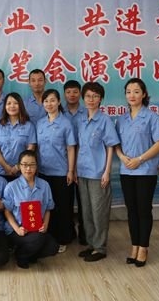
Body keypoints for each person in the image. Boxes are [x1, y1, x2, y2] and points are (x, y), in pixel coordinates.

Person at [115, 78, 159, 267]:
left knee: (143, 210)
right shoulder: (121, 119)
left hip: (145, 171)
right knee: (131, 210)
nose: (132, 95)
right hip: (126, 170)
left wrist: (140, 159)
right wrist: (122, 157)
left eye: (136, 91)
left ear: (144, 94)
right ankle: (134, 245)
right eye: (128, 91)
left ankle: (143, 247)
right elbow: (116, 144)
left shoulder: (151, 117)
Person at [75, 82, 120, 262]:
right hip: (82, 172)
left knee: (98, 211)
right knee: (86, 212)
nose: (91, 99)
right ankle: (91, 244)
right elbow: (78, 146)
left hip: (98, 173)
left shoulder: (104, 120)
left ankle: (100, 247)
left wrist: (107, 171)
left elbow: (110, 147)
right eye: (88, 96)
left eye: (95, 96)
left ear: (101, 99)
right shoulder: (81, 120)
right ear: (83, 98)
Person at [36, 88, 77, 253]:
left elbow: (71, 148)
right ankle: (50, 237)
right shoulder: (40, 123)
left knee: (63, 207)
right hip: (43, 172)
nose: (49, 104)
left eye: (52, 100)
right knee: (48, 207)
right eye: (46, 101)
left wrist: (71, 171)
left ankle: (64, 238)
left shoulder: (66, 123)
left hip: (61, 172)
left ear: (59, 102)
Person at [3, 150, 59, 269]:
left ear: (37, 166)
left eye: (32, 165)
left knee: (53, 247)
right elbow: (7, 211)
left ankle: (28, 253)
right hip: (17, 229)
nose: (28, 168)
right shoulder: (11, 186)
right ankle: (21, 256)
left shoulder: (44, 185)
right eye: (24, 165)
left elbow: (48, 208)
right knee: (38, 239)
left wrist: (45, 225)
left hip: (36, 228)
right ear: (19, 166)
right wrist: (17, 229)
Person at [0, 92, 36, 181]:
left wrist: (18, 167)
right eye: (9, 103)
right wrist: (6, 167)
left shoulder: (29, 126)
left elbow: (31, 148)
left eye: (15, 103)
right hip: (2, 172)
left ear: (20, 105)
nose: (12, 106)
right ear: (5, 106)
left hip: (23, 172)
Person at [63, 79, 87, 245]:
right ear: (64, 94)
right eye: (68, 92)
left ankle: (85, 234)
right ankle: (68, 232)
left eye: (75, 92)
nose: (72, 95)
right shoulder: (59, 112)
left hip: (84, 163)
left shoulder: (87, 112)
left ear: (80, 94)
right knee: (66, 202)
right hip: (63, 164)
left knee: (83, 201)